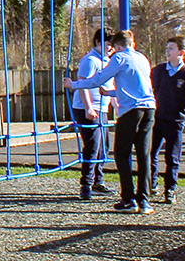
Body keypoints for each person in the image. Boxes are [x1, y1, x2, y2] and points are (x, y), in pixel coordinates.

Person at [64, 30, 156, 214]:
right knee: (144, 154)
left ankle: (128, 199)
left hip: (131, 111)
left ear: (118, 46)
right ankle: (144, 200)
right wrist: (112, 93)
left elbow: (98, 80)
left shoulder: (119, 58)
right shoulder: (142, 58)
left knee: (122, 154)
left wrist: (73, 85)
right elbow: (137, 85)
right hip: (149, 108)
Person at [149, 36, 185, 205]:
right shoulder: (158, 71)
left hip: (175, 121)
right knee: (151, 153)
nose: (167, 51)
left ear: (181, 52)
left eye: (171, 48)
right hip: (157, 119)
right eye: (167, 48)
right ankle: (152, 184)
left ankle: (170, 189)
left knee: (172, 158)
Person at [71, 29, 117, 200]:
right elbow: (83, 84)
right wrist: (89, 108)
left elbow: (109, 86)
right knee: (92, 146)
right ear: (99, 42)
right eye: (109, 44)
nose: (111, 48)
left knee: (104, 147)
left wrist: (115, 104)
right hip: (87, 108)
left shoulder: (108, 61)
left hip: (102, 108)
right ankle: (86, 184)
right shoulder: (90, 60)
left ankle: (98, 181)